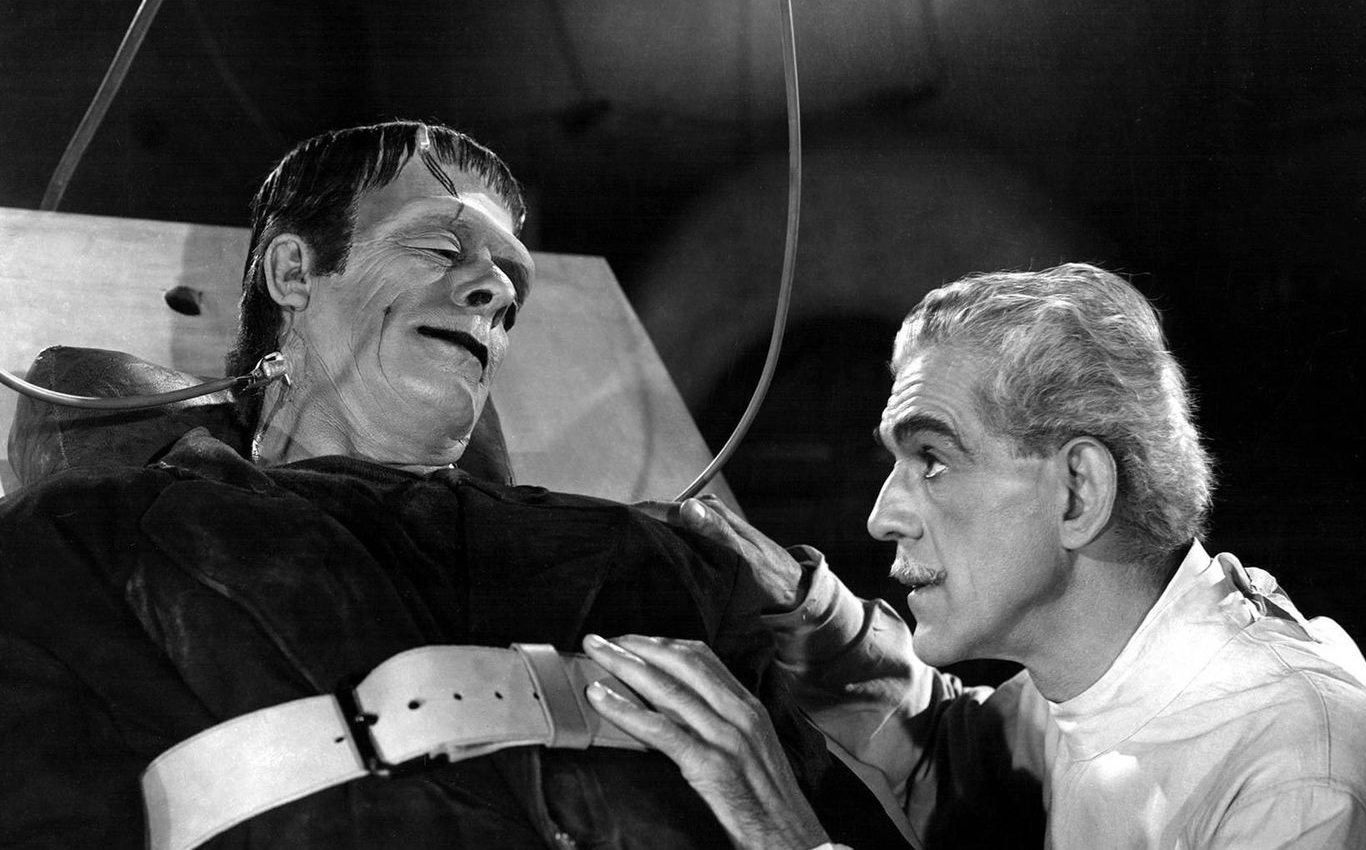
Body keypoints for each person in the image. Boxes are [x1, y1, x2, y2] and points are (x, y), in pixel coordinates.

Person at [0, 121, 906, 850]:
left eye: (512, 281)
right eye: (440, 248)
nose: (495, 291)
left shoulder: (665, 562)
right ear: (294, 271)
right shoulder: (87, 542)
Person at [580, 263, 1366, 849]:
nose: (883, 516)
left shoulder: (1300, 772)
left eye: (932, 460)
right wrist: (804, 610)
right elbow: (953, 754)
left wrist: (780, 832)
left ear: (1078, 491)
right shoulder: (1104, 672)